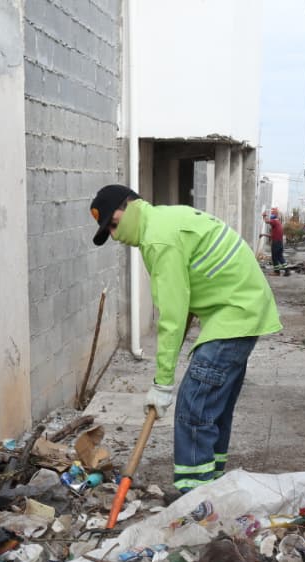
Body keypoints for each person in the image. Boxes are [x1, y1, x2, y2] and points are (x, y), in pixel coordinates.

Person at [89, 184, 281, 493]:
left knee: (194, 409)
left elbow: (172, 316)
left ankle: (196, 498)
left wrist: (163, 384)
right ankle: (213, 486)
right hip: (244, 311)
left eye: (113, 224)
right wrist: (167, 369)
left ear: (130, 205)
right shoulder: (164, 220)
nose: (114, 235)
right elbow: (185, 304)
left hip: (234, 315)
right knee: (214, 410)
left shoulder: (158, 239)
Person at [267, 208, 288, 274]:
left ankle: (276, 272)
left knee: (274, 257)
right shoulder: (278, 223)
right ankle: (287, 270)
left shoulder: (274, 221)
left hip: (276, 243)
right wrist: (263, 235)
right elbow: (272, 235)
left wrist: (264, 216)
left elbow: (266, 221)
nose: (271, 215)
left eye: (272, 213)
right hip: (280, 243)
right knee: (280, 256)